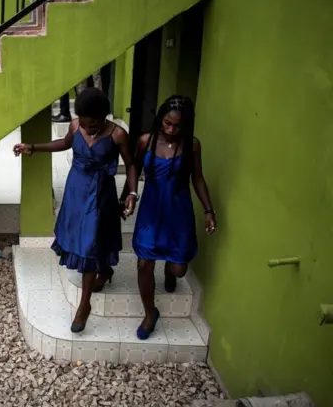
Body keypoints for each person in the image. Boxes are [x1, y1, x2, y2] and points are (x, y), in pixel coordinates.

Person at [15, 88, 139, 332]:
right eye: (84, 125)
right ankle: (105, 270)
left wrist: (132, 193)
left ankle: (84, 307)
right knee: (85, 240)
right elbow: (64, 143)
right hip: (75, 190)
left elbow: (132, 164)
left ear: (104, 117)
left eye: (92, 126)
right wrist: (33, 147)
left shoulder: (118, 134)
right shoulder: (74, 126)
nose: (88, 130)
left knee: (91, 241)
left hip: (101, 193)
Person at [120, 95, 216, 340]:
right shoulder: (146, 141)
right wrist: (130, 194)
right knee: (143, 262)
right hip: (152, 209)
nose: (171, 129)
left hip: (178, 211)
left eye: (177, 125)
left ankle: (169, 272)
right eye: (167, 123)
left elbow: (198, 178)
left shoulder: (192, 145)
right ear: (160, 119)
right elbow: (134, 168)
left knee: (179, 269)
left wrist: (208, 210)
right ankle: (150, 313)